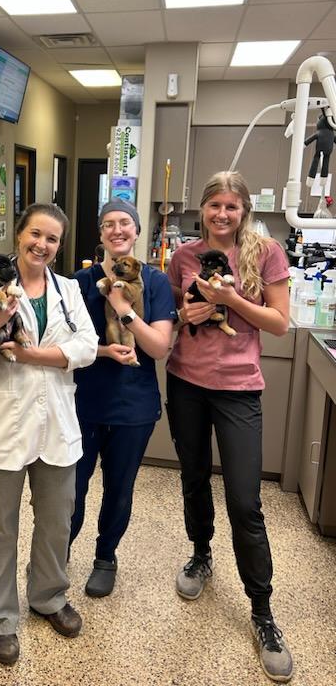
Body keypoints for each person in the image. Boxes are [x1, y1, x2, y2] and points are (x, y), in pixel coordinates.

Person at [166, 171, 293, 683]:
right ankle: (201, 553)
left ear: (243, 211)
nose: (222, 214)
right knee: (193, 478)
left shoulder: (266, 254)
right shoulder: (183, 256)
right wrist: (188, 310)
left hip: (239, 387)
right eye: (214, 205)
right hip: (187, 383)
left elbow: (280, 323)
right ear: (203, 209)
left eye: (231, 207)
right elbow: (176, 316)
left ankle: (262, 611)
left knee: (245, 500)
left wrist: (230, 301)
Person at [0, 203, 98, 666]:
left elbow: (88, 346)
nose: (42, 244)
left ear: (58, 247)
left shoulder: (69, 290)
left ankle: (49, 597)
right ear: (19, 235)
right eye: (35, 234)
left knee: (58, 518)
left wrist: (30, 354)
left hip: (56, 421)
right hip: (2, 423)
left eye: (52, 239)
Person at [69, 199, 176, 597]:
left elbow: (159, 347)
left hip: (133, 405)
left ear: (135, 231)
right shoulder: (80, 282)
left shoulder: (156, 281)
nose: (118, 230)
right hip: (82, 402)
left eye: (125, 223)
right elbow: (64, 341)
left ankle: (105, 557)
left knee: (119, 487)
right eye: (109, 224)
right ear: (100, 235)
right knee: (71, 488)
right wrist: (102, 350)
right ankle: (55, 553)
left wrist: (124, 311)